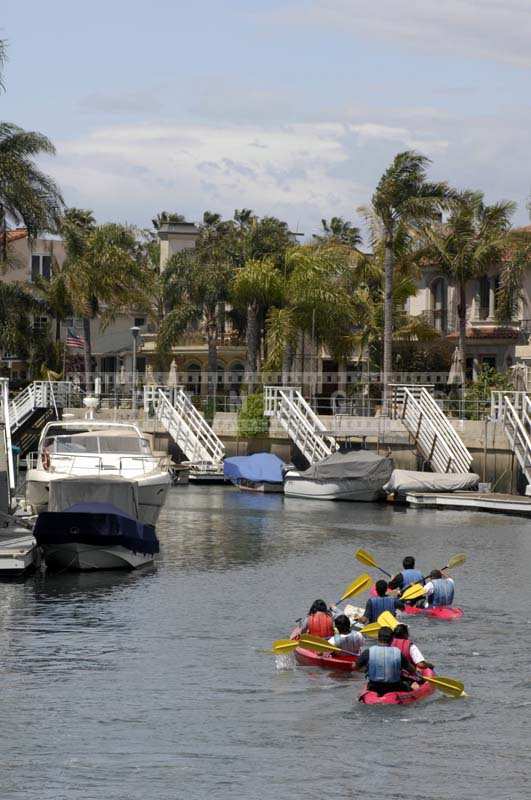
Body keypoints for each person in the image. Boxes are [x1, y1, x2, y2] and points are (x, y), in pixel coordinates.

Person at [354, 626, 413, 695]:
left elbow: (355, 667)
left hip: (374, 687)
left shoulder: (368, 652)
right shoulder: (398, 652)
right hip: (394, 687)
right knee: (409, 684)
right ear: (392, 640)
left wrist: (366, 670)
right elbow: (411, 669)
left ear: (378, 638)